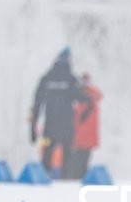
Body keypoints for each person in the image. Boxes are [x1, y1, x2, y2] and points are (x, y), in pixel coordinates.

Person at [30, 47, 91, 178]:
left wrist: (33, 126)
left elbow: (37, 101)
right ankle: (65, 178)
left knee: (47, 148)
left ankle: (44, 174)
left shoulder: (46, 78)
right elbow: (80, 97)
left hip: (49, 124)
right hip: (66, 125)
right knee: (67, 152)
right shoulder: (71, 79)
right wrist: (88, 100)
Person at [68, 72, 102, 179]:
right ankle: (80, 175)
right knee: (81, 157)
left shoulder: (82, 97)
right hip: (83, 136)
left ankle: (78, 175)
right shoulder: (89, 98)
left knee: (80, 158)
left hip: (81, 135)